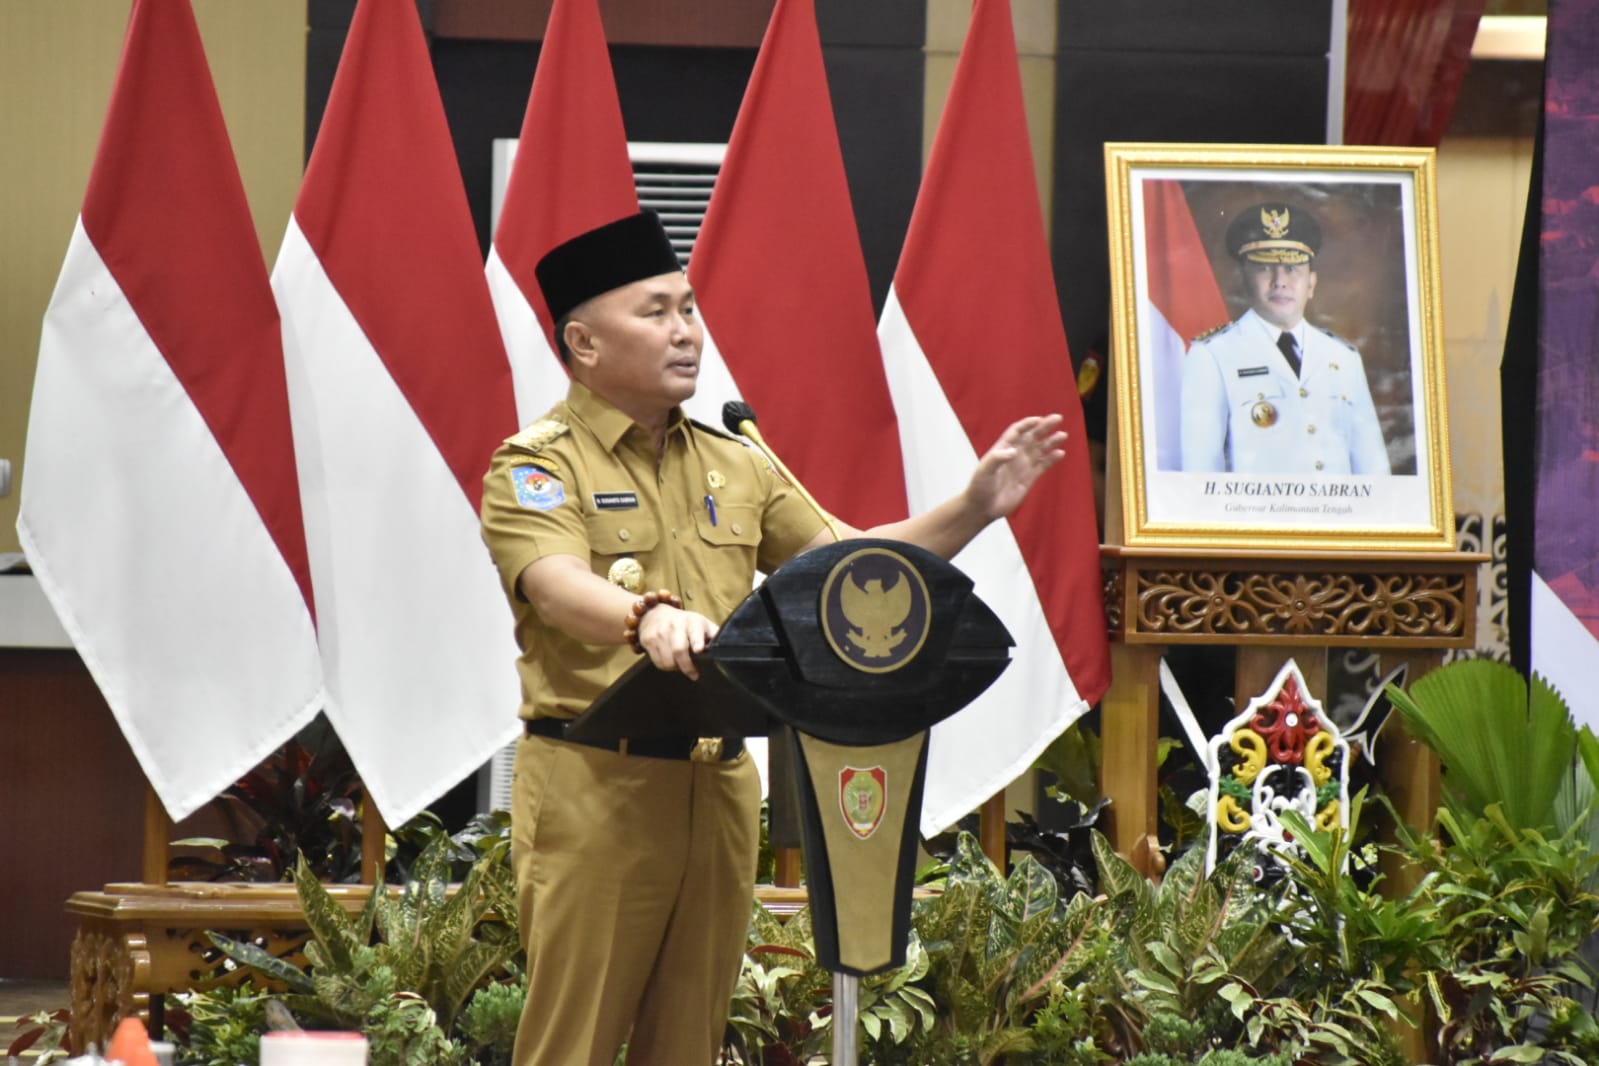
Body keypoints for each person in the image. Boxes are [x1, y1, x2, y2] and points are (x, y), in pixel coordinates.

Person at [478, 210, 1070, 1066]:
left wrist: (973, 508)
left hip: (719, 786)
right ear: (584, 343)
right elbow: (556, 585)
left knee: (688, 1044)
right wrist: (645, 616)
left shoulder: (737, 459)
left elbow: (852, 574)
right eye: (656, 312)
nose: (686, 332)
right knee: (573, 1045)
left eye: (688, 308)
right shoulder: (538, 465)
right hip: (594, 786)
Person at [1179, 201, 1389, 475]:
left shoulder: (1343, 357)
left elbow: (1373, 468)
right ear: (1243, 278)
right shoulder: (1212, 355)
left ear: (1311, 283)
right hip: (1252, 517)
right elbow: (1200, 470)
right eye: (1264, 268)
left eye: (1292, 269)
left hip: (1338, 516)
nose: (1280, 280)